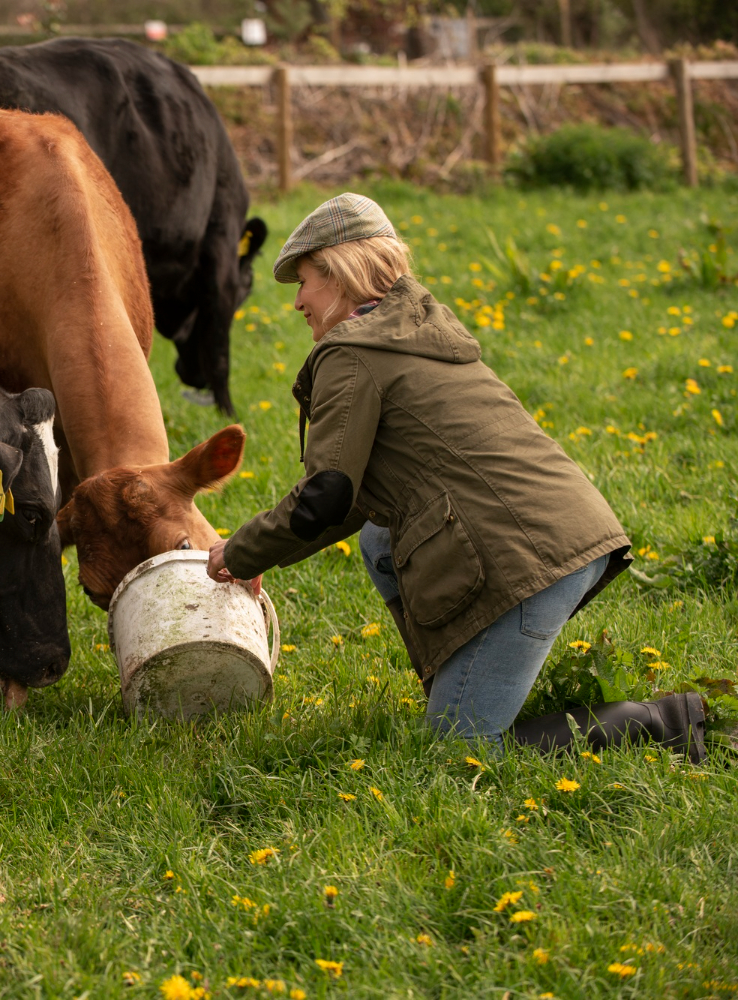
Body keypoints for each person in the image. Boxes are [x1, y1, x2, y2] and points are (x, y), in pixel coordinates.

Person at [207, 193, 706, 760]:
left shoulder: (353, 352)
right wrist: (256, 555)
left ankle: (663, 721)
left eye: (304, 281)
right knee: (380, 537)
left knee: (460, 750)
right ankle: (460, 680)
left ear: (340, 274)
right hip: (562, 534)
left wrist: (238, 551)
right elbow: (351, 503)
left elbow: (324, 494)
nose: (297, 300)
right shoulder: (410, 329)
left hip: (528, 559)